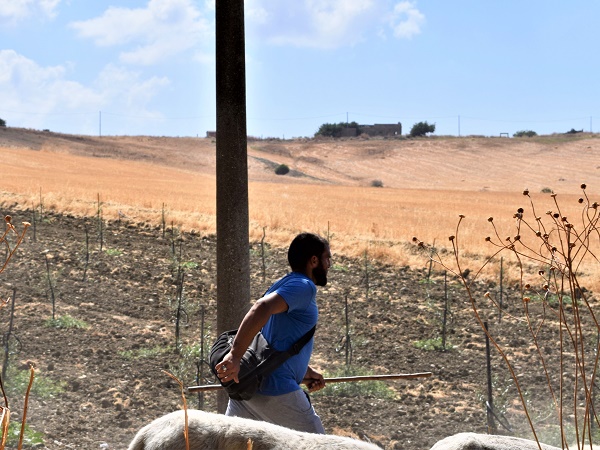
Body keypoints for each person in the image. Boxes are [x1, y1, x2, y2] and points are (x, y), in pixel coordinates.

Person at [215, 232, 332, 434]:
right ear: (314, 260)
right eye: (327, 258)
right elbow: (261, 308)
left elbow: (274, 339)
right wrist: (235, 355)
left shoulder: (283, 283)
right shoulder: (304, 287)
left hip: (249, 387)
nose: (329, 264)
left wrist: (304, 372)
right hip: (276, 389)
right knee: (318, 444)